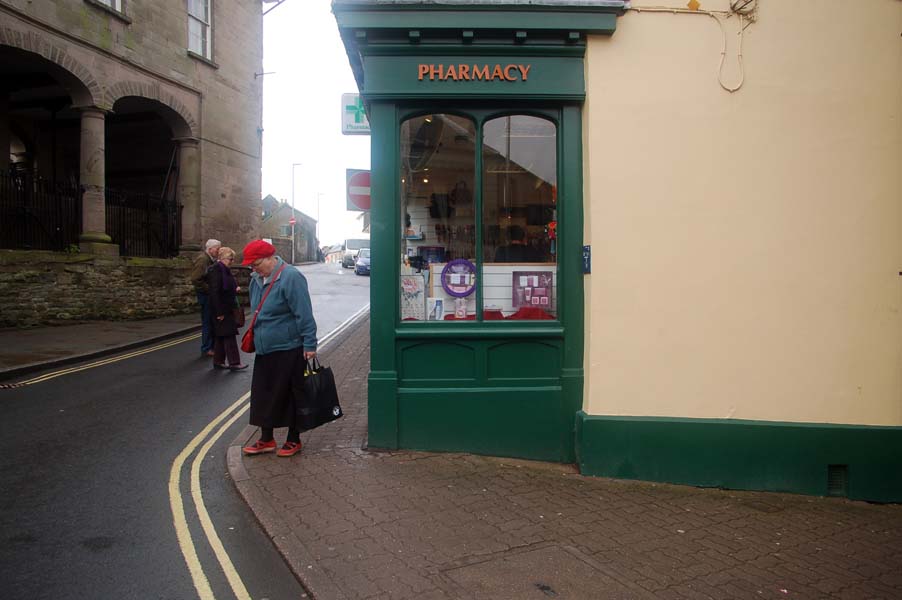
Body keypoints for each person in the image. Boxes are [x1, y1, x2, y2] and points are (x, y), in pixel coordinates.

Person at [240, 240, 317, 458]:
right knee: (264, 395)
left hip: (290, 347)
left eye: (255, 264)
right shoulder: (256, 279)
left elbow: (304, 313)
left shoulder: (291, 277)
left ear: (269, 258)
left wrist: (309, 343)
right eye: (251, 266)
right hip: (265, 348)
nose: (253, 269)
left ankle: (294, 440)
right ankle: (266, 439)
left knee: (291, 394)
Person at [207, 247, 247, 371]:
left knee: (221, 335)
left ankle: (218, 361)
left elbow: (226, 286)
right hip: (221, 309)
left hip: (226, 307)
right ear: (223, 258)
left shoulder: (224, 270)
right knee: (229, 334)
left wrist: (234, 288)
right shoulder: (216, 270)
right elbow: (214, 292)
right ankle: (234, 363)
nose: (232, 261)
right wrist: (219, 312)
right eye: (230, 259)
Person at [190, 239, 221, 356]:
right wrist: (210, 290)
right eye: (217, 249)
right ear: (210, 249)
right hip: (205, 296)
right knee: (208, 322)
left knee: (212, 321)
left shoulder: (210, 260)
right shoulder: (203, 260)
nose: (219, 251)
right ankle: (206, 348)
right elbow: (195, 279)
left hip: (209, 295)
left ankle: (211, 346)